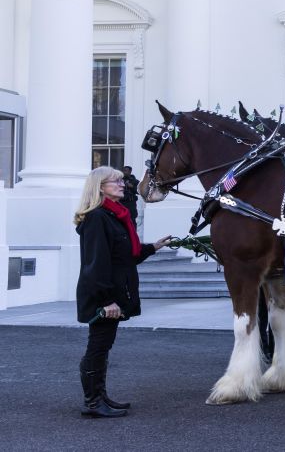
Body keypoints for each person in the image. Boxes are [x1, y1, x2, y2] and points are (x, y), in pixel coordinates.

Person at [75, 166, 172, 418]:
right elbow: (96, 263)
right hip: (103, 297)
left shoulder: (116, 215)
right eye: (115, 182)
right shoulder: (97, 217)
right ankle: (93, 402)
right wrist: (106, 301)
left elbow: (125, 257)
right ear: (99, 187)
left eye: (121, 181)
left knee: (103, 346)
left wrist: (153, 247)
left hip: (115, 292)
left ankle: (100, 396)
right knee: (97, 347)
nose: (123, 185)